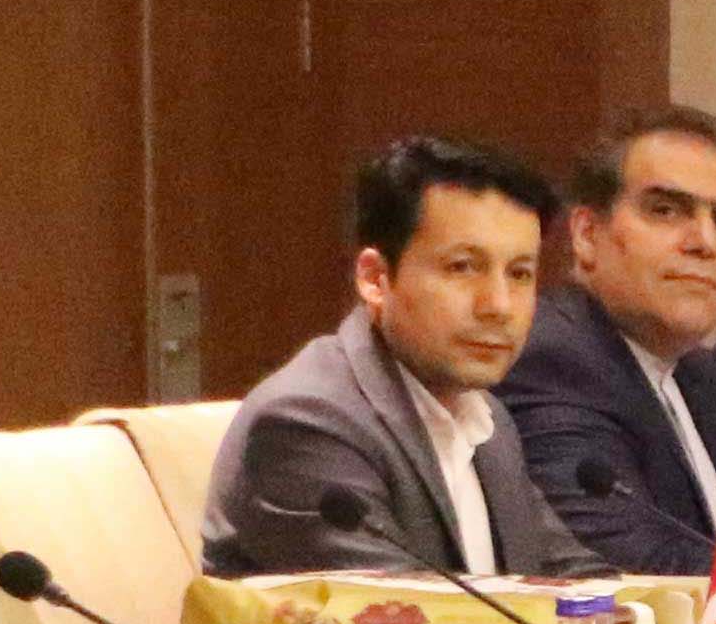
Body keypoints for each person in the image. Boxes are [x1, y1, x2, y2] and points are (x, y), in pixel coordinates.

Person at [205, 136, 609, 579]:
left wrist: (645, 610)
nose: (498, 305)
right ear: (375, 279)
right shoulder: (306, 423)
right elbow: (400, 613)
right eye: (463, 267)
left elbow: (571, 577)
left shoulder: (485, 420)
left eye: (519, 274)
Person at [498, 105, 716, 573]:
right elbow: (627, 562)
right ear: (587, 235)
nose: (705, 242)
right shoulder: (552, 360)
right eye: (666, 211)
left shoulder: (707, 379)